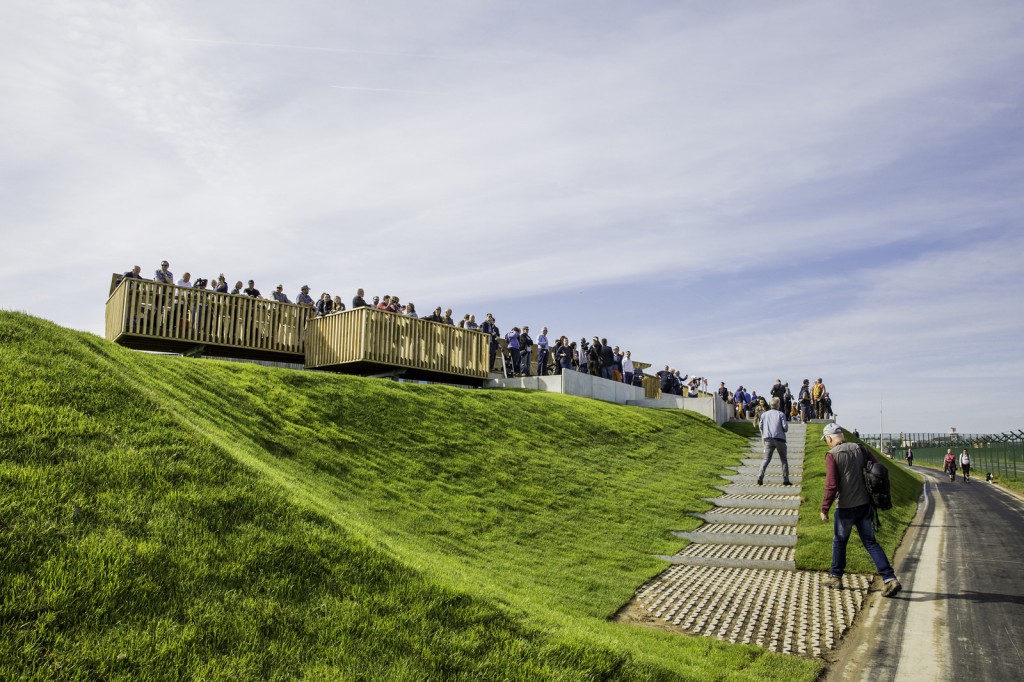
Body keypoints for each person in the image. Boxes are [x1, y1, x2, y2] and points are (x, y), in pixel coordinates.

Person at [820, 423, 901, 596]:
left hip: (845, 507)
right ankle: (890, 579)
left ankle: (835, 577)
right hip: (865, 505)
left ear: (829, 439)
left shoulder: (832, 455)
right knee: (870, 542)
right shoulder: (861, 449)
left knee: (839, 541)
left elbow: (831, 485)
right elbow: (877, 470)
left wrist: (824, 508)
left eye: (826, 440)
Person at [756, 397, 791, 486]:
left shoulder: (764, 414)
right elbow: (785, 428)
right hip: (779, 439)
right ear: (778, 405)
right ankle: (786, 479)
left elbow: (760, 426)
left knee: (766, 459)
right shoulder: (781, 414)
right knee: (783, 460)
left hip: (768, 439)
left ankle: (760, 477)